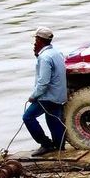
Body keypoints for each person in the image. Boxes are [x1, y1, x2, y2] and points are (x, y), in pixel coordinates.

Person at [23, 26, 68, 157]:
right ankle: (60, 147)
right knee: (53, 120)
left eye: (36, 40)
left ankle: (46, 144)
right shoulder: (57, 53)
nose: (34, 43)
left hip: (47, 97)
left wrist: (33, 96)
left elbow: (43, 82)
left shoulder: (44, 57)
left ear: (40, 40)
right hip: (59, 95)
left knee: (28, 117)